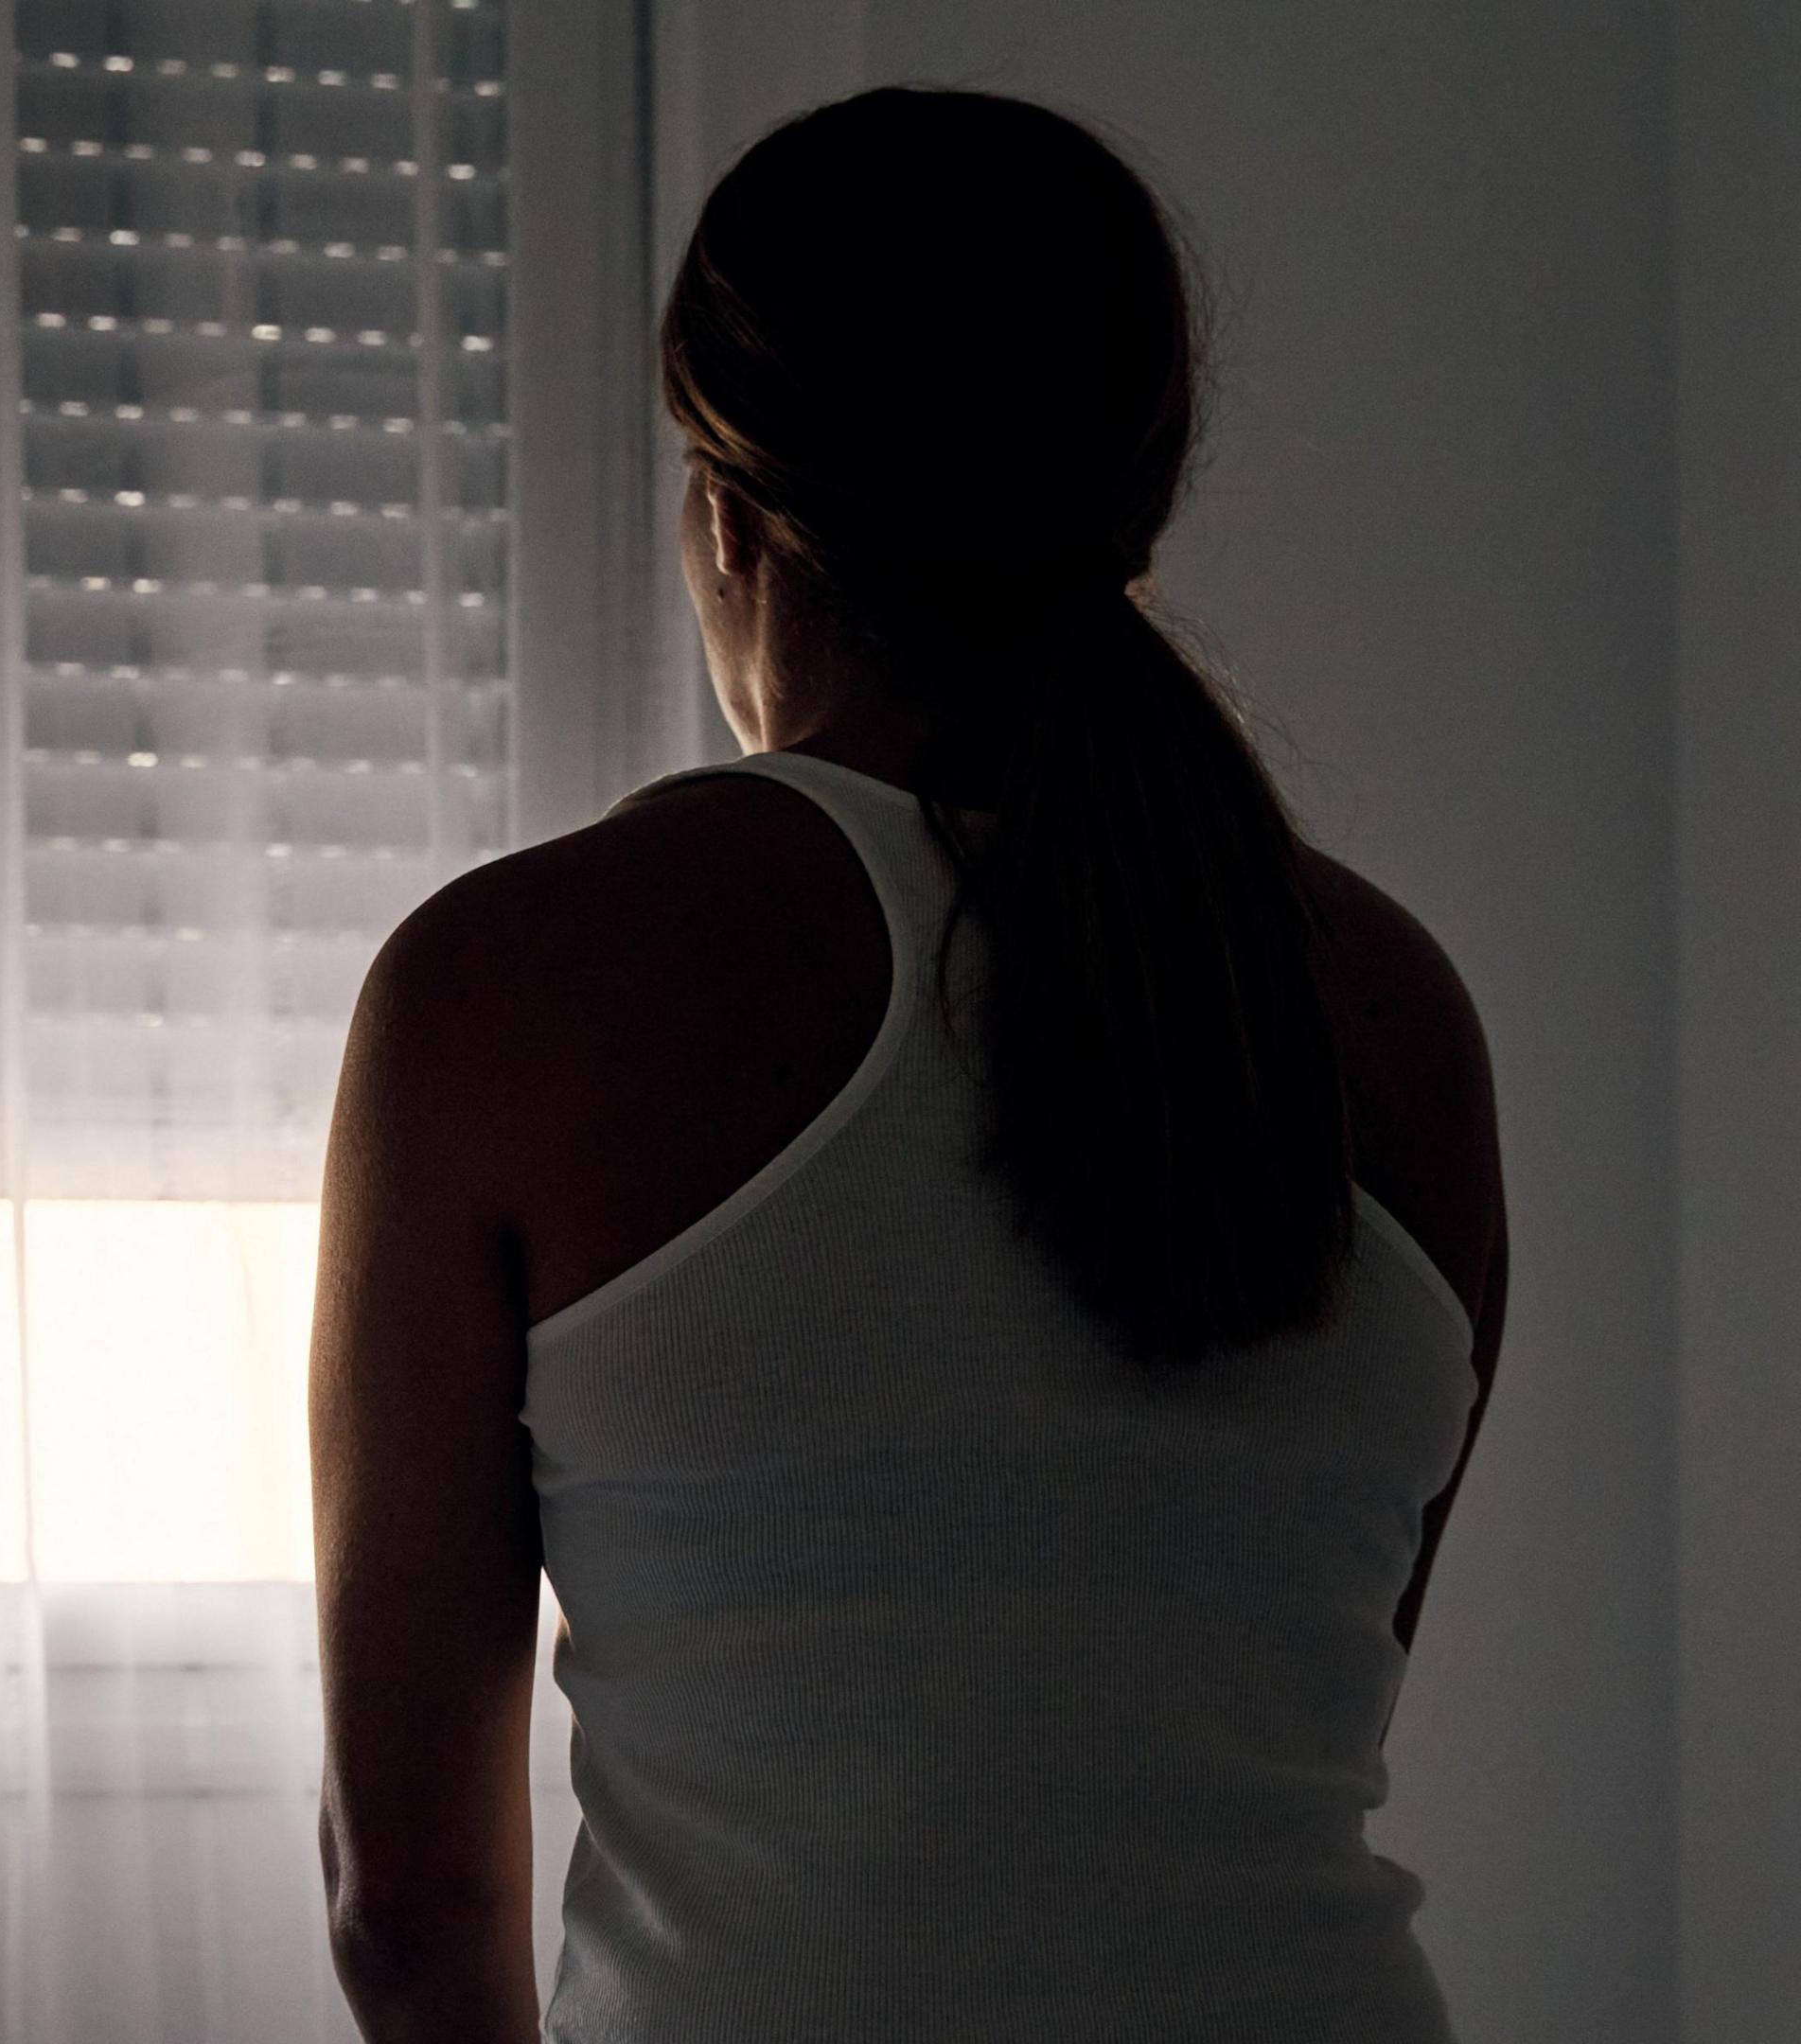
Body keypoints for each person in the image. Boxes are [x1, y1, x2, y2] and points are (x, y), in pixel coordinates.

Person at [307, 87, 1508, 2043]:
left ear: (726, 509)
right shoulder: (1392, 1009)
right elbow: (1266, 1721)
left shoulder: (506, 990)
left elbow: (413, 1909)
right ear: (1142, 493)